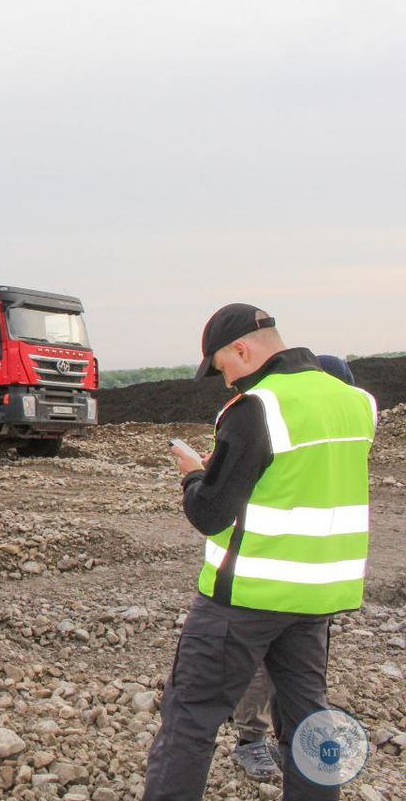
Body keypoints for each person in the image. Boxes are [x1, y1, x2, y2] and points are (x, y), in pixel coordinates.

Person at [143, 305, 377, 800]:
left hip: (244, 597)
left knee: (189, 720)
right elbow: (301, 479)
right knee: (309, 723)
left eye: (221, 366)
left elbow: (210, 514)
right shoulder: (355, 402)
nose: (224, 380)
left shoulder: (256, 407)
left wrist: (192, 473)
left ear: (242, 350)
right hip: (317, 597)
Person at [229, 352, 359, 782]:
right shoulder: (276, 422)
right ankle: (251, 740)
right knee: (262, 665)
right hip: (268, 576)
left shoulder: (341, 434)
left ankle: (292, 743)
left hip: (315, 580)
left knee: (301, 674)